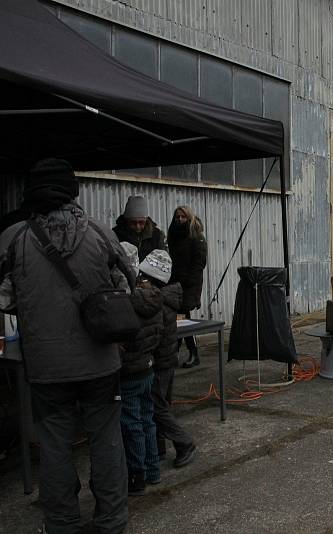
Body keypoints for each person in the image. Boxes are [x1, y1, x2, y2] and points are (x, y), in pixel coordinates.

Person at [0, 158, 132, 533]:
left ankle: (62, 524)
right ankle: (111, 521)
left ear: (31, 194)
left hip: (46, 367)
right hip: (100, 362)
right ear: (72, 191)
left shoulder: (14, 238)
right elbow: (128, 285)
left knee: (55, 446)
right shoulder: (100, 233)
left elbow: (5, 299)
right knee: (106, 441)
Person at [119, 247, 165, 496]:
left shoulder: (127, 300)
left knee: (131, 423)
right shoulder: (155, 297)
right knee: (147, 419)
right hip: (147, 367)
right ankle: (153, 469)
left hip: (129, 371)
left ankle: (137, 474)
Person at [147, 248, 197, 468]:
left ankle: (184, 442)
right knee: (159, 403)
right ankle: (158, 449)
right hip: (165, 360)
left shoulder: (157, 303)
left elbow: (153, 335)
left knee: (155, 406)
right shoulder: (166, 299)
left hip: (160, 361)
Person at [166, 206, 207, 368]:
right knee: (180, 318)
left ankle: (189, 352)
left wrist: (189, 282)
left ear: (189, 218)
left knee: (182, 316)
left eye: (183, 217)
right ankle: (186, 352)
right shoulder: (174, 235)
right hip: (175, 283)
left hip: (189, 285)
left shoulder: (196, 237)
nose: (180, 220)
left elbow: (199, 263)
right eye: (177, 217)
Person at [113, 195, 165, 262]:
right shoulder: (116, 234)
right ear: (126, 220)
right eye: (133, 222)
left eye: (141, 222)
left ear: (146, 219)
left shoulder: (156, 235)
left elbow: (162, 260)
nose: (137, 226)